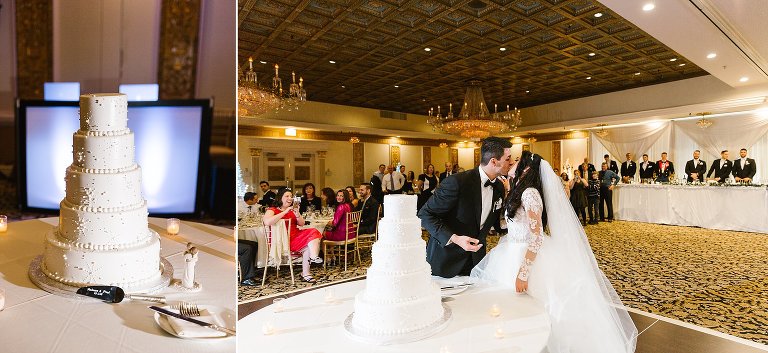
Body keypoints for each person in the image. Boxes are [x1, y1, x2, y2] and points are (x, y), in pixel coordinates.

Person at [470, 154, 637, 353]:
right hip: (512, 251)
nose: (511, 163)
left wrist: (524, 272)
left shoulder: (530, 193)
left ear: (525, 169)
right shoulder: (519, 189)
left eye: (515, 161)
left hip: (527, 257)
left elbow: (537, 236)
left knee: (539, 309)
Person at [418, 137, 512, 278]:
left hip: (477, 261)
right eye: (507, 159)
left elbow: (496, 226)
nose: (511, 162)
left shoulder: (499, 186)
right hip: (446, 259)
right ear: (494, 161)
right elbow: (425, 214)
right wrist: (454, 238)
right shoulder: (457, 182)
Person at [263, 188, 323, 283]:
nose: (290, 198)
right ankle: (311, 262)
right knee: (310, 240)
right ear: (280, 198)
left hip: (296, 237)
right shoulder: (272, 210)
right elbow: (267, 222)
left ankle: (309, 267)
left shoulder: (292, 210)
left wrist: (297, 213)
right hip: (283, 241)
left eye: (291, 196)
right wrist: (285, 212)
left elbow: (302, 224)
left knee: (313, 233)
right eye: (287, 196)